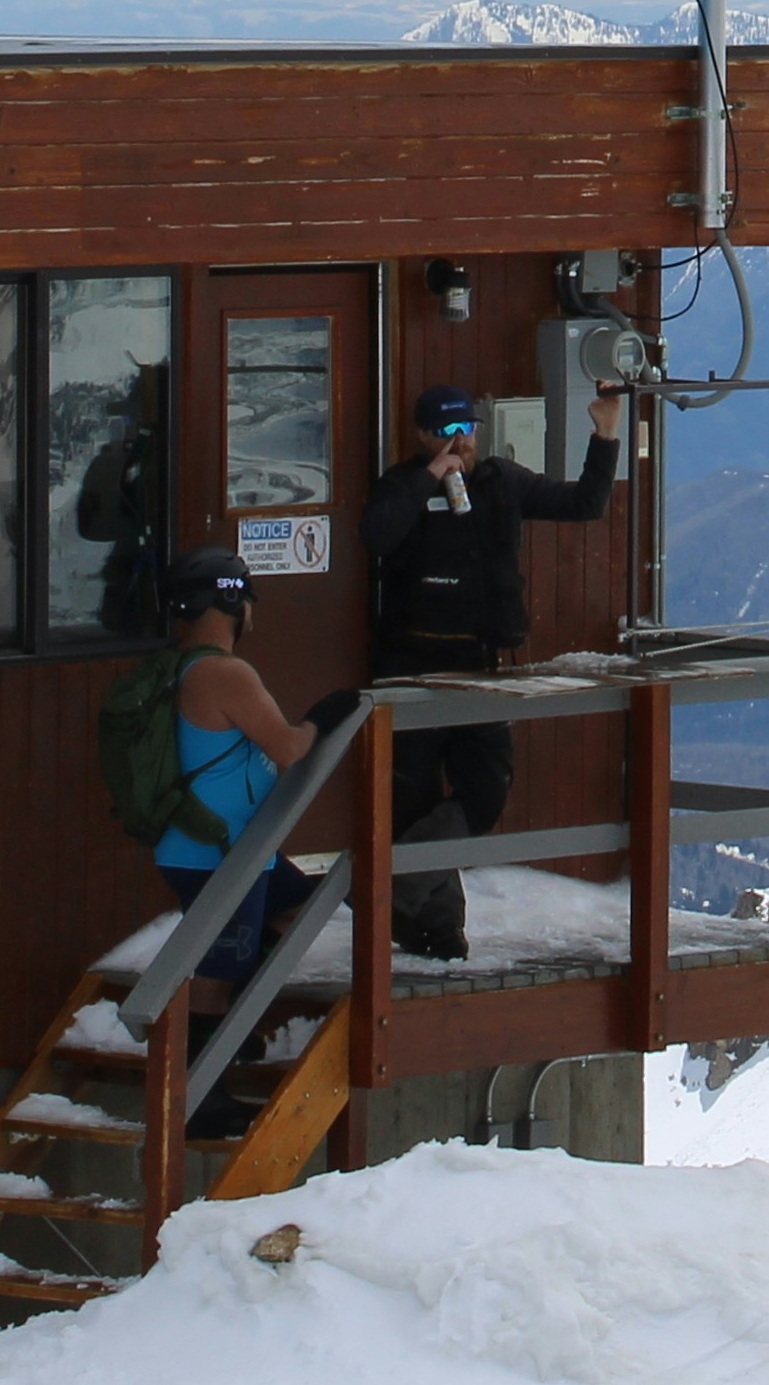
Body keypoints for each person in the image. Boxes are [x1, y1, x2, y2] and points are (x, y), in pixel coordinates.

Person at [366, 374, 632, 959]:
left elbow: (584, 504)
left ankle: (396, 889)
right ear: (423, 435)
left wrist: (605, 433)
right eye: (448, 431)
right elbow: (377, 536)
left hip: (480, 664)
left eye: (468, 429)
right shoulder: (400, 487)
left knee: (484, 793)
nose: (461, 441)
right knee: (411, 800)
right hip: (410, 667)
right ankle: (434, 930)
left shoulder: (501, 484)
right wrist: (430, 477)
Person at [146, 548, 313, 1132]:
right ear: (234, 603)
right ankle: (198, 1097)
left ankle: (230, 1043)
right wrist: (324, 719)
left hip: (210, 844)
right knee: (215, 973)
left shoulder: (178, 666)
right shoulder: (225, 672)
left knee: (301, 904)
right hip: (221, 853)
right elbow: (288, 748)